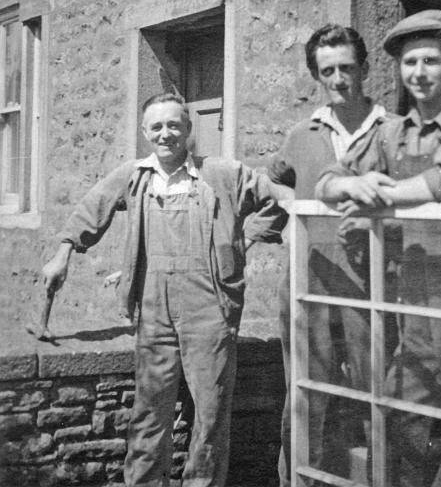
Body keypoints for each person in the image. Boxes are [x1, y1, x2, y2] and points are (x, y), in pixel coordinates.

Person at [41, 92, 287, 487]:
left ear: (188, 129)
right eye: (156, 126)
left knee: (210, 414)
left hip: (210, 309)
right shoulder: (134, 176)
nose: (166, 134)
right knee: (148, 414)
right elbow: (92, 208)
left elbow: (276, 200)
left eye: (174, 125)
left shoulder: (222, 173)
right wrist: (64, 253)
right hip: (153, 310)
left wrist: (243, 240)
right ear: (144, 132)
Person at [316, 10, 441, 486]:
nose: (419, 73)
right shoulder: (394, 132)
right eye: (409, 63)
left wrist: (373, 200)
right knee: (400, 409)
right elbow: (327, 179)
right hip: (415, 301)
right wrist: (357, 181)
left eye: (430, 60)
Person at [267, 24, 391, 485]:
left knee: (375, 391)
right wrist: (281, 218)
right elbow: (277, 175)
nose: (339, 79)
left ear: (364, 67)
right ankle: (295, 480)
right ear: (317, 77)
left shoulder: (392, 130)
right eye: (328, 71)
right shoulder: (303, 133)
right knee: (303, 393)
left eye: (347, 68)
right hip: (308, 282)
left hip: (370, 283)